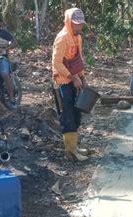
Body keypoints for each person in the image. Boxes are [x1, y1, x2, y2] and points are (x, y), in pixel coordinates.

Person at [52, 8, 89, 161]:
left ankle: (74, 146)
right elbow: (56, 63)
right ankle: (70, 151)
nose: (79, 27)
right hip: (63, 82)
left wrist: (83, 78)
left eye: (80, 24)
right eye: (76, 24)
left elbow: (78, 60)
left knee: (76, 113)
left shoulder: (77, 37)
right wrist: (73, 78)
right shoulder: (62, 38)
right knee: (67, 115)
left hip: (75, 80)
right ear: (68, 22)